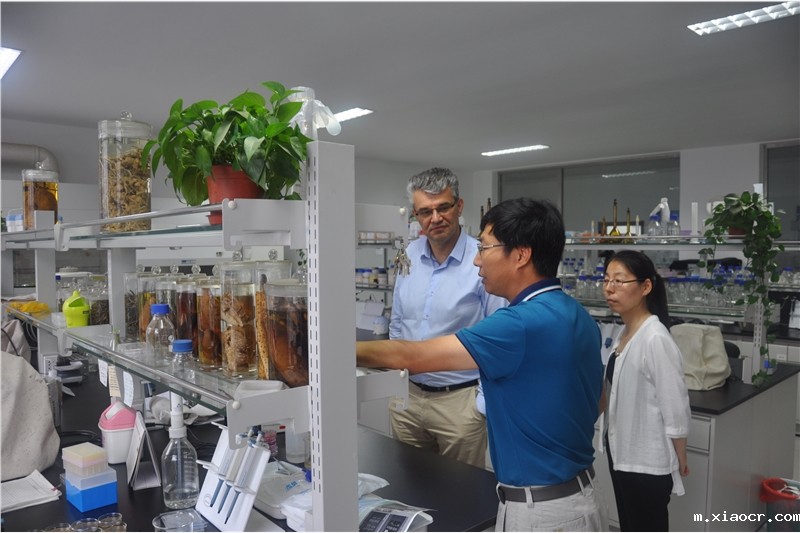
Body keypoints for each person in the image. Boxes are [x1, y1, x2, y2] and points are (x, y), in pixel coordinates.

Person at [358, 197, 606, 531]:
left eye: (485, 248)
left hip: (542, 511)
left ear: (520, 255)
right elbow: (598, 401)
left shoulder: (518, 325)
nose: (477, 260)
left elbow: (411, 357)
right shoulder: (577, 314)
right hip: (580, 496)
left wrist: (333, 348)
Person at [388, 167, 506, 468]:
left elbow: (499, 335)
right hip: (407, 398)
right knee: (407, 484)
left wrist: (480, 404)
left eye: (443, 207)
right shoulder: (409, 256)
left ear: (459, 206)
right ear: (415, 215)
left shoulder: (482, 259)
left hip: (459, 404)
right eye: (425, 211)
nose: (435, 218)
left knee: (460, 490)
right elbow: (398, 322)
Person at [600, 250, 691, 531]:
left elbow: (675, 405)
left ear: (646, 286)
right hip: (622, 454)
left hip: (646, 462)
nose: (609, 288)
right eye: (606, 280)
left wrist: (680, 455)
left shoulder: (655, 338)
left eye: (619, 280)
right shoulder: (624, 333)